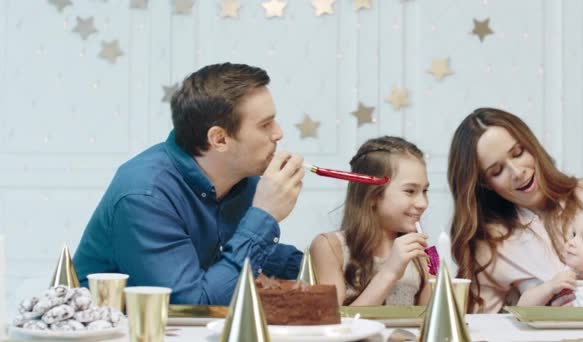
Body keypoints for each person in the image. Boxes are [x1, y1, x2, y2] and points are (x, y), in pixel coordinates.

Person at [73, 63, 305, 305]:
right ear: (220, 139)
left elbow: (233, 257)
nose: (278, 133)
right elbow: (193, 306)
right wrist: (264, 216)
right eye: (265, 124)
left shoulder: (242, 180)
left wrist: (327, 257)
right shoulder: (145, 195)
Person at [447, 107, 583, 313]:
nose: (517, 172)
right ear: (484, 183)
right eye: (497, 171)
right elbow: (482, 325)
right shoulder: (493, 246)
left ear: (531, 146)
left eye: (518, 153)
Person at [310, 136, 432, 306]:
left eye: (425, 191)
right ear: (372, 195)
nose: (423, 203)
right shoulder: (330, 247)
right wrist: (390, 272)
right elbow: (334, 324)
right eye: (410, 191)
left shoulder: (420, 256)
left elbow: (428, 322)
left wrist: (439, 284)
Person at [518, 208, 583, 307]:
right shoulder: (566, 275)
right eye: (573, 234)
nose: (571, 242)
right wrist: (550, 287)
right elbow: (522, 307)